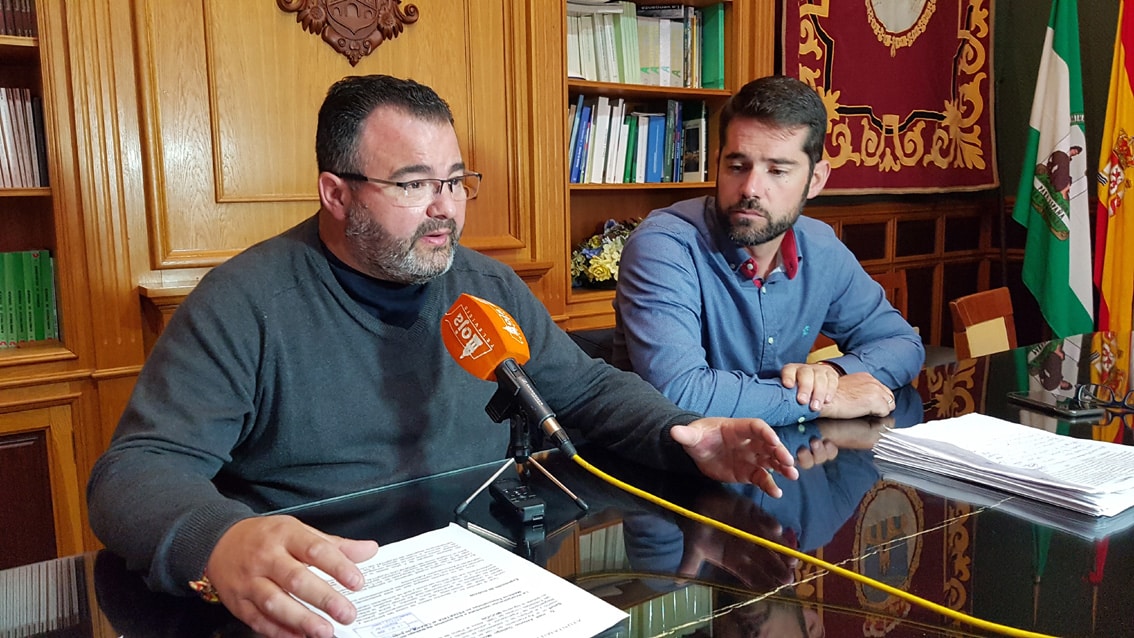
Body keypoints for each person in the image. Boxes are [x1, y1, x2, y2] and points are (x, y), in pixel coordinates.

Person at [86, 74, 798, 638]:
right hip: (331, 599)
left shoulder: (484, 284)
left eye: (455, 180)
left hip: (487, 586)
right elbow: (135, 472)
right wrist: (221, 542)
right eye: (413, 184)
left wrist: (684, 430)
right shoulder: (245, 300)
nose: (447, 209)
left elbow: (581, 391)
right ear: (336, 193)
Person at [612, 75, 924, 426]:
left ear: (816, 180)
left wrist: (831, 373)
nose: (751, 188)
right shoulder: (664, 246)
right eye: (737, 166)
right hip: (662, 467)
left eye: (777, 170)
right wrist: (818, 400)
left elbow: (902, 343)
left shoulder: (821, 247)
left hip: (778, 459)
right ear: (717, 164)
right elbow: (681, 390)